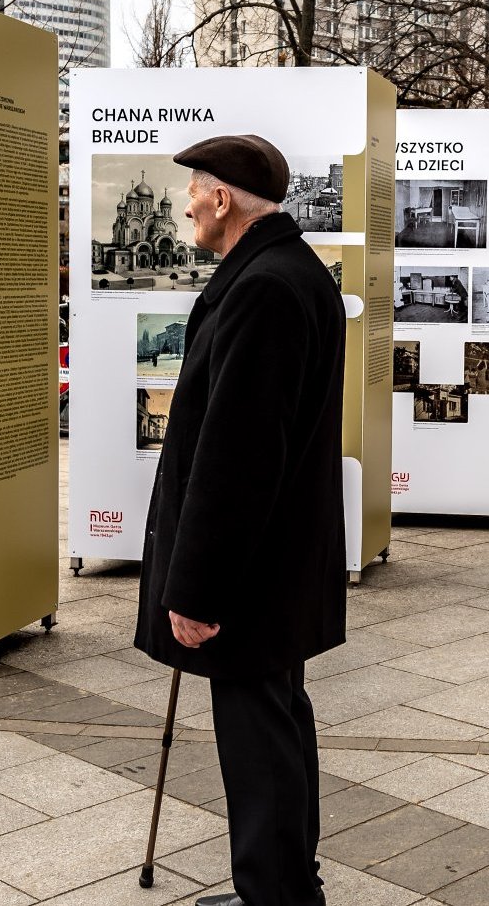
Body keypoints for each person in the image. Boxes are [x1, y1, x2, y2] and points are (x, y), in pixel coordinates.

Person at [133, 134, 345, 906]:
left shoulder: (264, 288)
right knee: (277, 723)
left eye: (193, 188)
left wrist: (198, 590)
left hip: (252, 571)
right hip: (276, 562)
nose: (186, 201)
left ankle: (277, 898)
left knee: (260, 737)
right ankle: (284, 885)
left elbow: (241, 456)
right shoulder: (284, 274)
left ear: (222, 199)